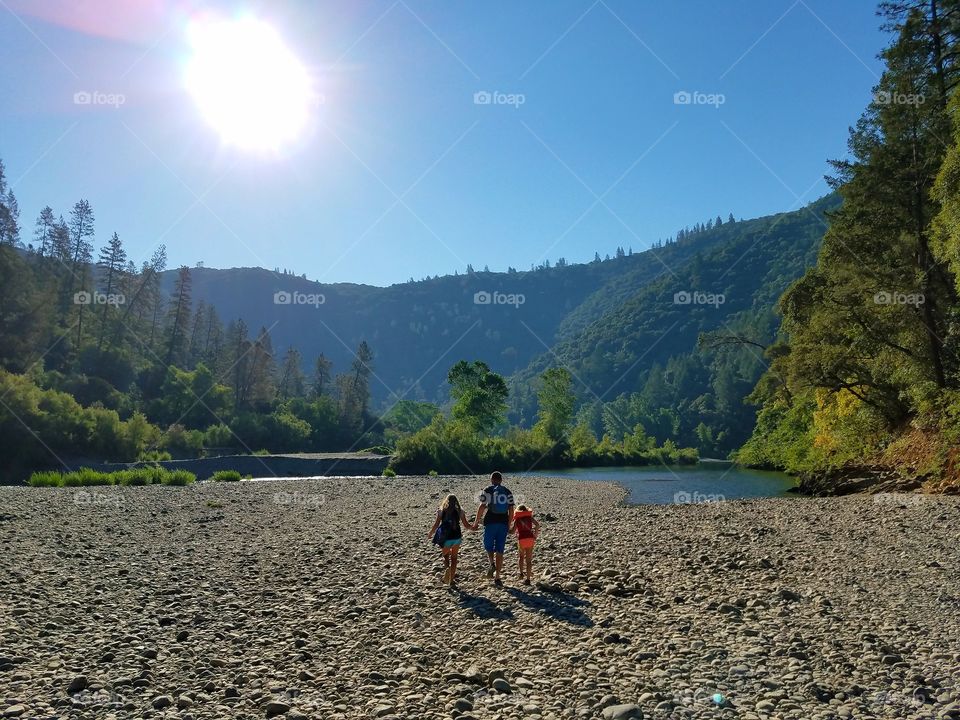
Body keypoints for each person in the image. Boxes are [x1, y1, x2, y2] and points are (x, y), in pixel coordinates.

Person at [474, 471, 514, 587]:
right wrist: (509, 524)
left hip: (490, 522)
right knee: (500, 550)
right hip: (503, 524)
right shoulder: (507, 491)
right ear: (501, 480)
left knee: (488, 546)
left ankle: (492, 563)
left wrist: (476, 522)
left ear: (491, 479)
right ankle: (497, 577)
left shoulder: (488, 489)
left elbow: (482, 506)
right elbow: (511, 510)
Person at [428, 494, 473, 587]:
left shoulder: (441, 511)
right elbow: (466, 525)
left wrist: (431, 533)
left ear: (446, 501)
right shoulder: (460, 511)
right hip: (456, 536)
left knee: (445, 556)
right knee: (454, 558)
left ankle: (447, 568)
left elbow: (436, 524)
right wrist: (474, 527)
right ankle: (451, 580)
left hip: (446, 537)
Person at [510, 504, 540, 585]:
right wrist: (535, 534)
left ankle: (521, 573)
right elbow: (537, 524)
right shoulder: (529, 517)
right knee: (529, 560)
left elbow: (512, 531)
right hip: (530, 538)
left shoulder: (517, 519)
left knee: (521, 557)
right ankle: (528, 579)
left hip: (521, 539)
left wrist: (507, 530)